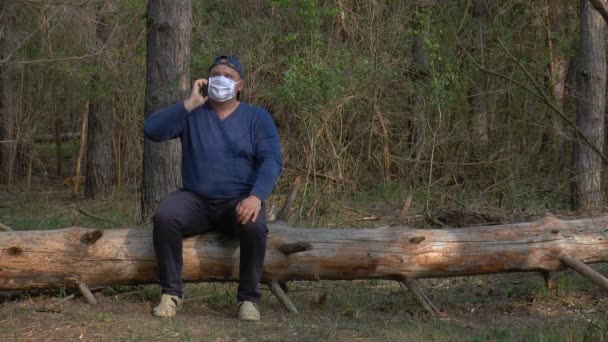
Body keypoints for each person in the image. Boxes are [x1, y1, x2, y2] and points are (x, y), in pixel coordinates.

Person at [143, 54, 282, 321]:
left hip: (238, 202)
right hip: (196, 200)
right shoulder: (193, 114)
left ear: (239, 85)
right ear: (206, 81)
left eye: (229, 77)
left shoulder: (256, 117)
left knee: (255, 225)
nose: (222, 80)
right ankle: (171, 294)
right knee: (165, 217)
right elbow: (152, 130)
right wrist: (190, 102)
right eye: (216, 75)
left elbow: (272, 159)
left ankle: (248, 300)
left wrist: (256, 197)